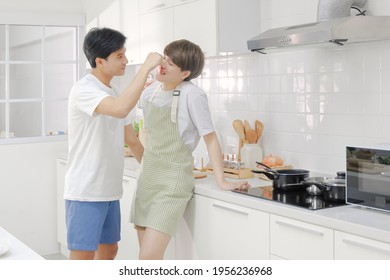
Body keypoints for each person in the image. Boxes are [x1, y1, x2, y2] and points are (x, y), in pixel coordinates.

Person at [131, 39, 251, 260]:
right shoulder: (150, 93)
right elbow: (144, 130)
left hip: (172, 182)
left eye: (171, 62)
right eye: (164, 57)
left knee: (147, 258)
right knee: (146, 262)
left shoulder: (192, 95)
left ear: (185, 73)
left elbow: (211, 138)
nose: (163, 64)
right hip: (147, 179)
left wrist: (221, 181)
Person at [64, 27, 162, 260]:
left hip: (109, 189)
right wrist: (146, 67)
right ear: (99, 61)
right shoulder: (84, 89)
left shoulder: (115, 90)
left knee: (110, 250)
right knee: (82, 256)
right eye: (119, 56)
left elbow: (132, 140)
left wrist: (154, 175)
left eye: (124, 54)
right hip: (86, 190)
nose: (126, 61)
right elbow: (119, 109)